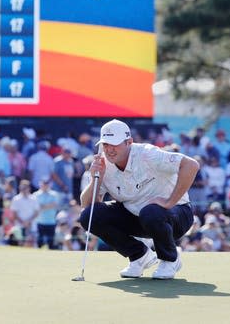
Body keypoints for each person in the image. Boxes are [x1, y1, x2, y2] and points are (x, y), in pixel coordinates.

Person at [79, 119, 198, 280]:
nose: (109, 149)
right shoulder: (103, 164)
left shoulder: (148, 153)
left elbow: (191, 165)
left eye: (114, 144)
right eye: (105, 144)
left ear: (129, 142)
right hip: (139, 218)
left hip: (176, 215)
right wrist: (95, 180)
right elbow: (87, 207)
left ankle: (170, 259)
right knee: (89, 215)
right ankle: (139, 256)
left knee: (151, 212)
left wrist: (169, 202)